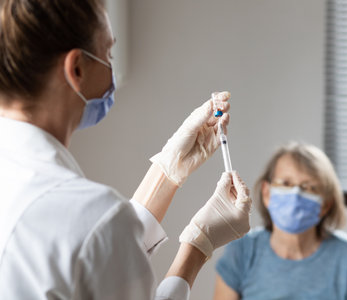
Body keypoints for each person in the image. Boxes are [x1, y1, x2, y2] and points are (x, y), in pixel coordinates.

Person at [0, 1, 251, 299]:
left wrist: (168, 170)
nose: (111, 69)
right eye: (109, 54)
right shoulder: (88, 215)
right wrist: (198, 246)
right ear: (76, 68)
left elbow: (100, 248)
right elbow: (97, 235)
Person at [214, 142, 347, 300]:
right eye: (286, 183)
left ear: (326, 204)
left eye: (309, 187)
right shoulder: (242, 250)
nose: (295, 194)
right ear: (266, 193)